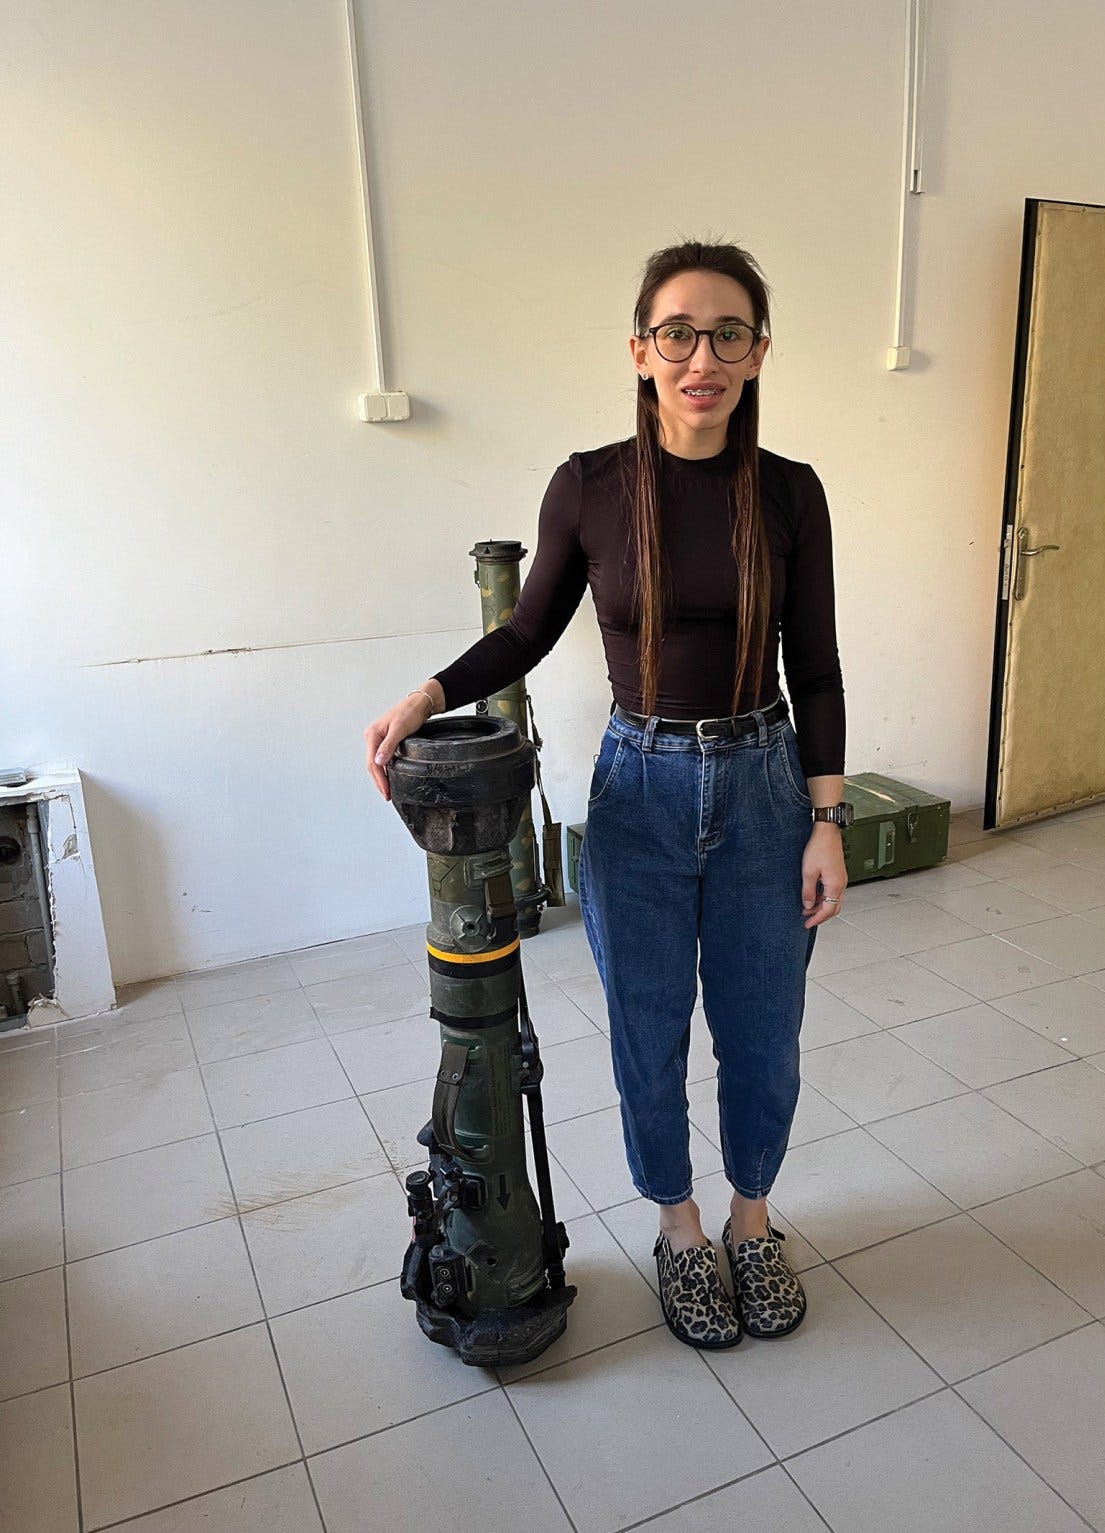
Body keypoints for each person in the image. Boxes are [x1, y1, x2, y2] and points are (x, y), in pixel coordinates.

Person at [365, 239, 847, 1351]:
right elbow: (526, 630)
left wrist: (827, 821)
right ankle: (680, 1230)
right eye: (677, 333)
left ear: (757, 351)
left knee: (763, 1033)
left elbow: (816, 666)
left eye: (727, 334)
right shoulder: (589, 486)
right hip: (640, 792)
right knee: (647, 1031)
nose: (701, 358)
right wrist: (428, 693)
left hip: (767, 787)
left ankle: (751, 1222)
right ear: (640, 350)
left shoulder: (790, 492)